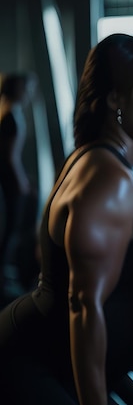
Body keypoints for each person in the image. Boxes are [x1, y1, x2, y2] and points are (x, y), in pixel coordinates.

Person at [0, 33, 133, 405]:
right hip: (30, 364)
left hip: (85, 365)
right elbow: (84, 306)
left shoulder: (119, 167)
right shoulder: (106, 179)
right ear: (115, 99)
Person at [0, 72, 36, 304]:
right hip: (10, 181)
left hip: (7, 179)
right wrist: (23, 181)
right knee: (11, 230)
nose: (29, 92)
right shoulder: (11, 116)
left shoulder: (7, 113)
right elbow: (10, 156)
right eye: (26, 87)